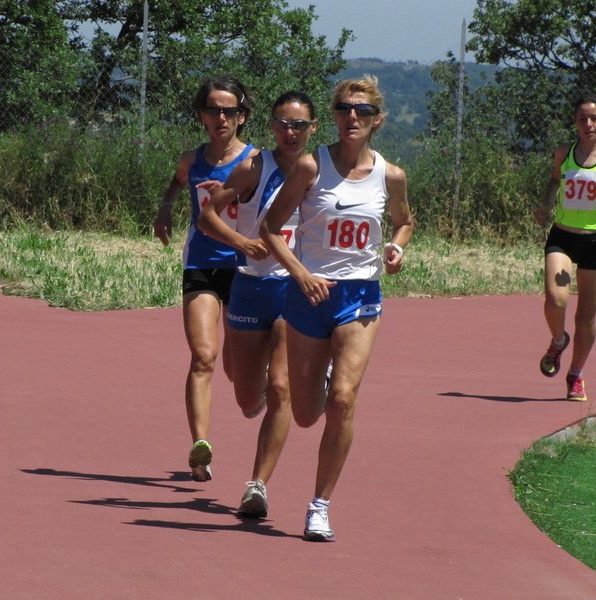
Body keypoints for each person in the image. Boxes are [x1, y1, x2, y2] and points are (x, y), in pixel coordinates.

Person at [260, 76, 413, 541]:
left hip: (360, 296)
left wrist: (398, 249)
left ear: (377, 121)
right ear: (335, 115)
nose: (353, 118)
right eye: (345, 109)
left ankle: (319, 506)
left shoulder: (391, 175)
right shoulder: (310, 166)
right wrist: (300, 274)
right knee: (307, 413)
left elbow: (404, 222)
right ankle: (322, 379)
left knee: (343, 400)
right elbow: (269, 228)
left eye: (362, 112)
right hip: (308, 295)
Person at [198, 91, 318, 518]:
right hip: (250, 286)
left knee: (281, 387)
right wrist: (242, 242)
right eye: (283, 123)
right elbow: (207, 216)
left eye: (299, 125)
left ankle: (257, 486)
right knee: (247, 394)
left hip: (295, 288)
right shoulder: (254, 167)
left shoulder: (323, 171)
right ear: (271, 126)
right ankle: (257, 391)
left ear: (313, 129)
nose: (291, 132)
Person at [152, 76, 254, 482]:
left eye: (229, 110)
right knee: (203, 356)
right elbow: (177, 184)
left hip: (245, 268)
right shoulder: (190, 160)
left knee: (235, 367)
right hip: (202, 265)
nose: (221, 117)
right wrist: (165, 208)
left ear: (241, 116)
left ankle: (253, 387)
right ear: (201, 116)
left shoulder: (255, 162)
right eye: (213, 109)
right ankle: (201, 448)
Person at [534, 93, 596, 401]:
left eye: (594, 118)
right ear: (575, 122)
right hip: (562, 236)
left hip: (594, 241)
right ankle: (558, 340)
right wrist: (546, 205)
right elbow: (553, 181)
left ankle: (575, 375)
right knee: (556, 299)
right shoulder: (564, 152)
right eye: (582, 119)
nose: (588, 124)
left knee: (585, 318)